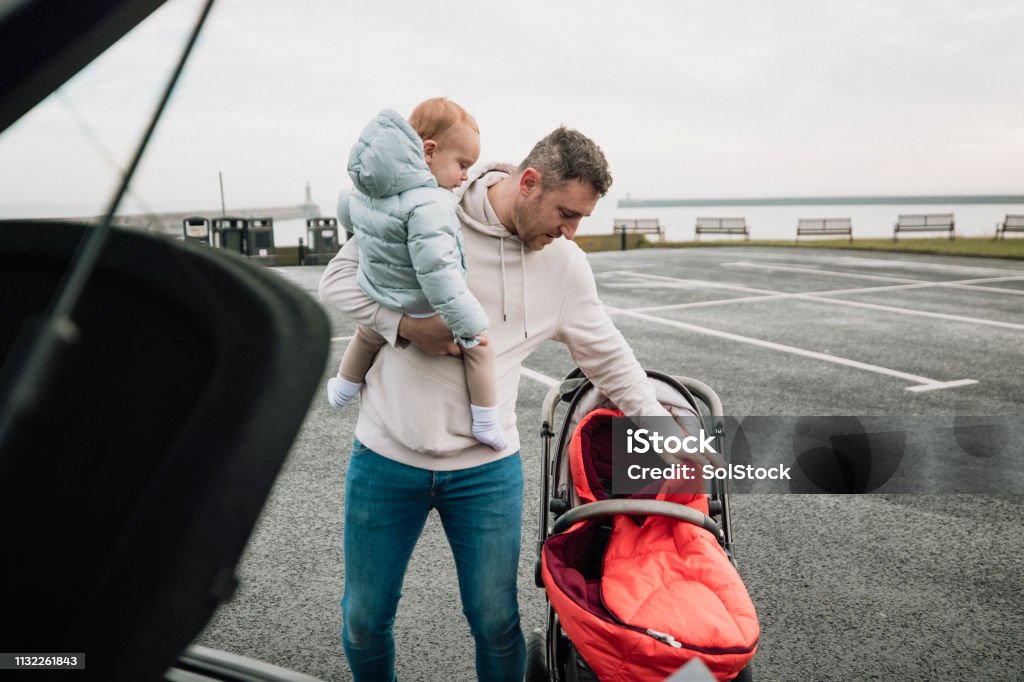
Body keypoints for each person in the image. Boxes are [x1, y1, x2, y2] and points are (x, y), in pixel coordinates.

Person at [319, 125, 690, 682]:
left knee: (495, 622)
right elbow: (338, 282)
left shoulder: (564, 265)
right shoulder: (426, 211)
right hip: (385, 457)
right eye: (566, 213)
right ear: (530, 182)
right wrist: (405, 326)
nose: (570, 232)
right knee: (365, 620)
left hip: (485, 472)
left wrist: (677, 442)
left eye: (581, 219)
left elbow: (612, 361)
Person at [326, 98, 507, 451]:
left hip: (377, 289)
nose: (465, 175)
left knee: (368, 333)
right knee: (480, 351)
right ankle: (486, 423)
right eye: (462, 163)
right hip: (418, 301)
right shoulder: (430, 204)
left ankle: (342, 388)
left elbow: (347, 212)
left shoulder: (368, 190)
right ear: (429, 151)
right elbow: (440, 275)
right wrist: (469, 322)